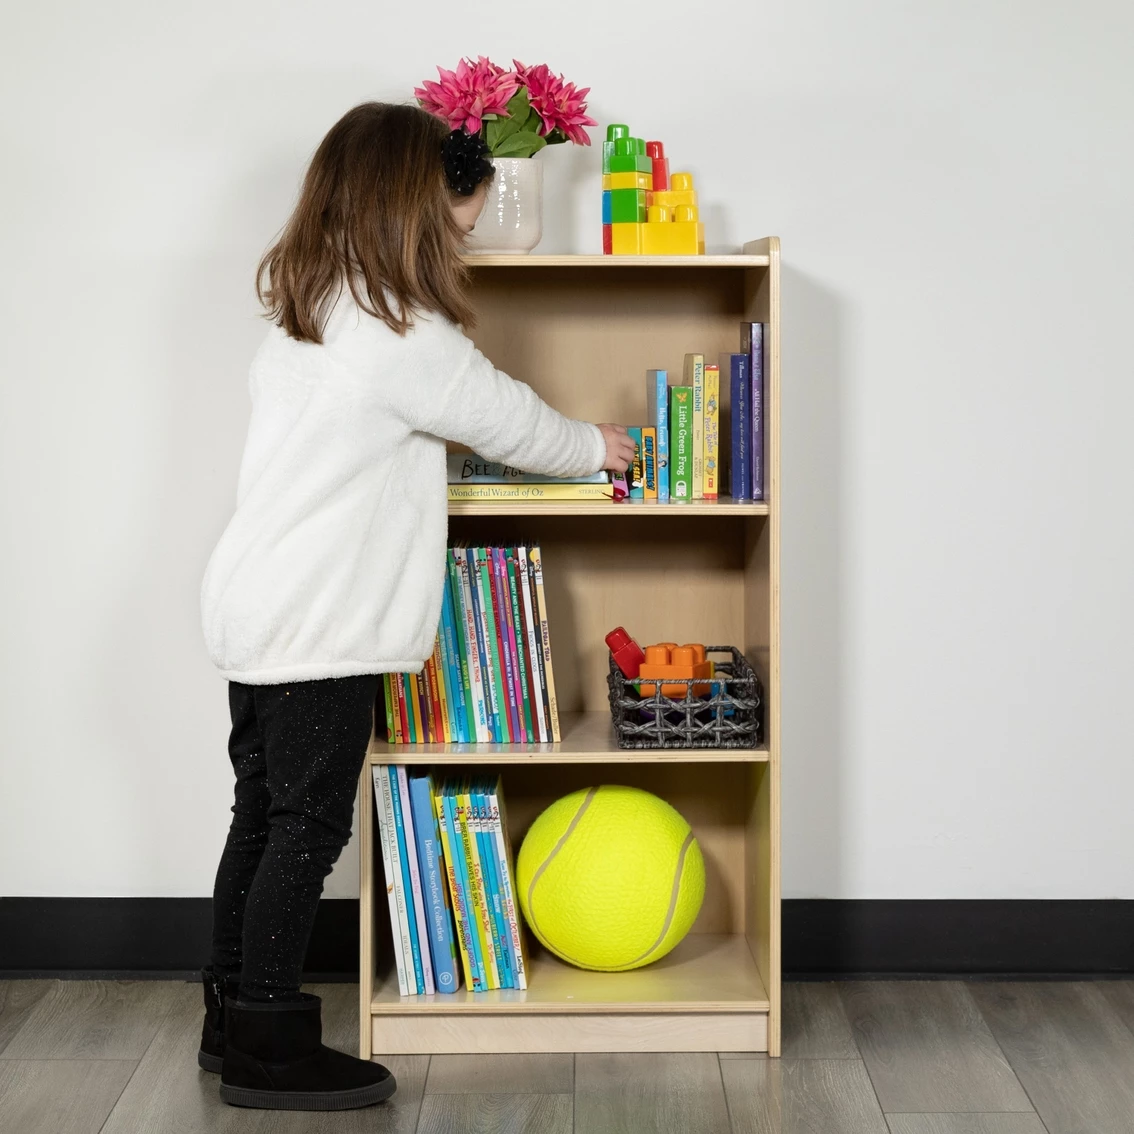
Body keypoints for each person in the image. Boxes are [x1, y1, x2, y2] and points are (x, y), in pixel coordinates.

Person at [195, 101, 634, 1111]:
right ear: (411, 207)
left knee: (261, 818)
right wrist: (591, 447)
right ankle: (268, 1043)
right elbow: (501, 414)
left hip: (258, 603)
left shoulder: (315, 311)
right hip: (317, 618)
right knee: (305, 829)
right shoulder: (399, 331)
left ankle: (230, 1021)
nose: (460, 240)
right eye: (454, 218)